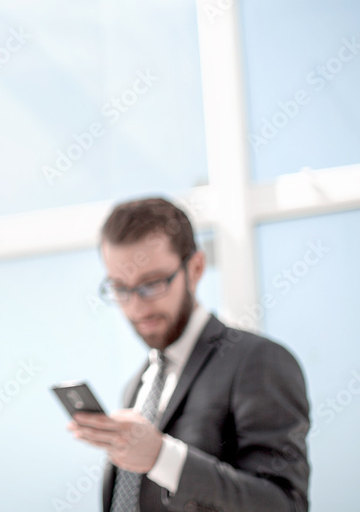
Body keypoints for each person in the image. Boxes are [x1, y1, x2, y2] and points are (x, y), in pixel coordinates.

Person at [69, 197, 309, 511]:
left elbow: (284, 504)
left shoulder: (258, 361)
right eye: (120, 288)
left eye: (152, 283)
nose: (136, 306)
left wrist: (162, 458)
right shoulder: (137, 385)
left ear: (195, 268)